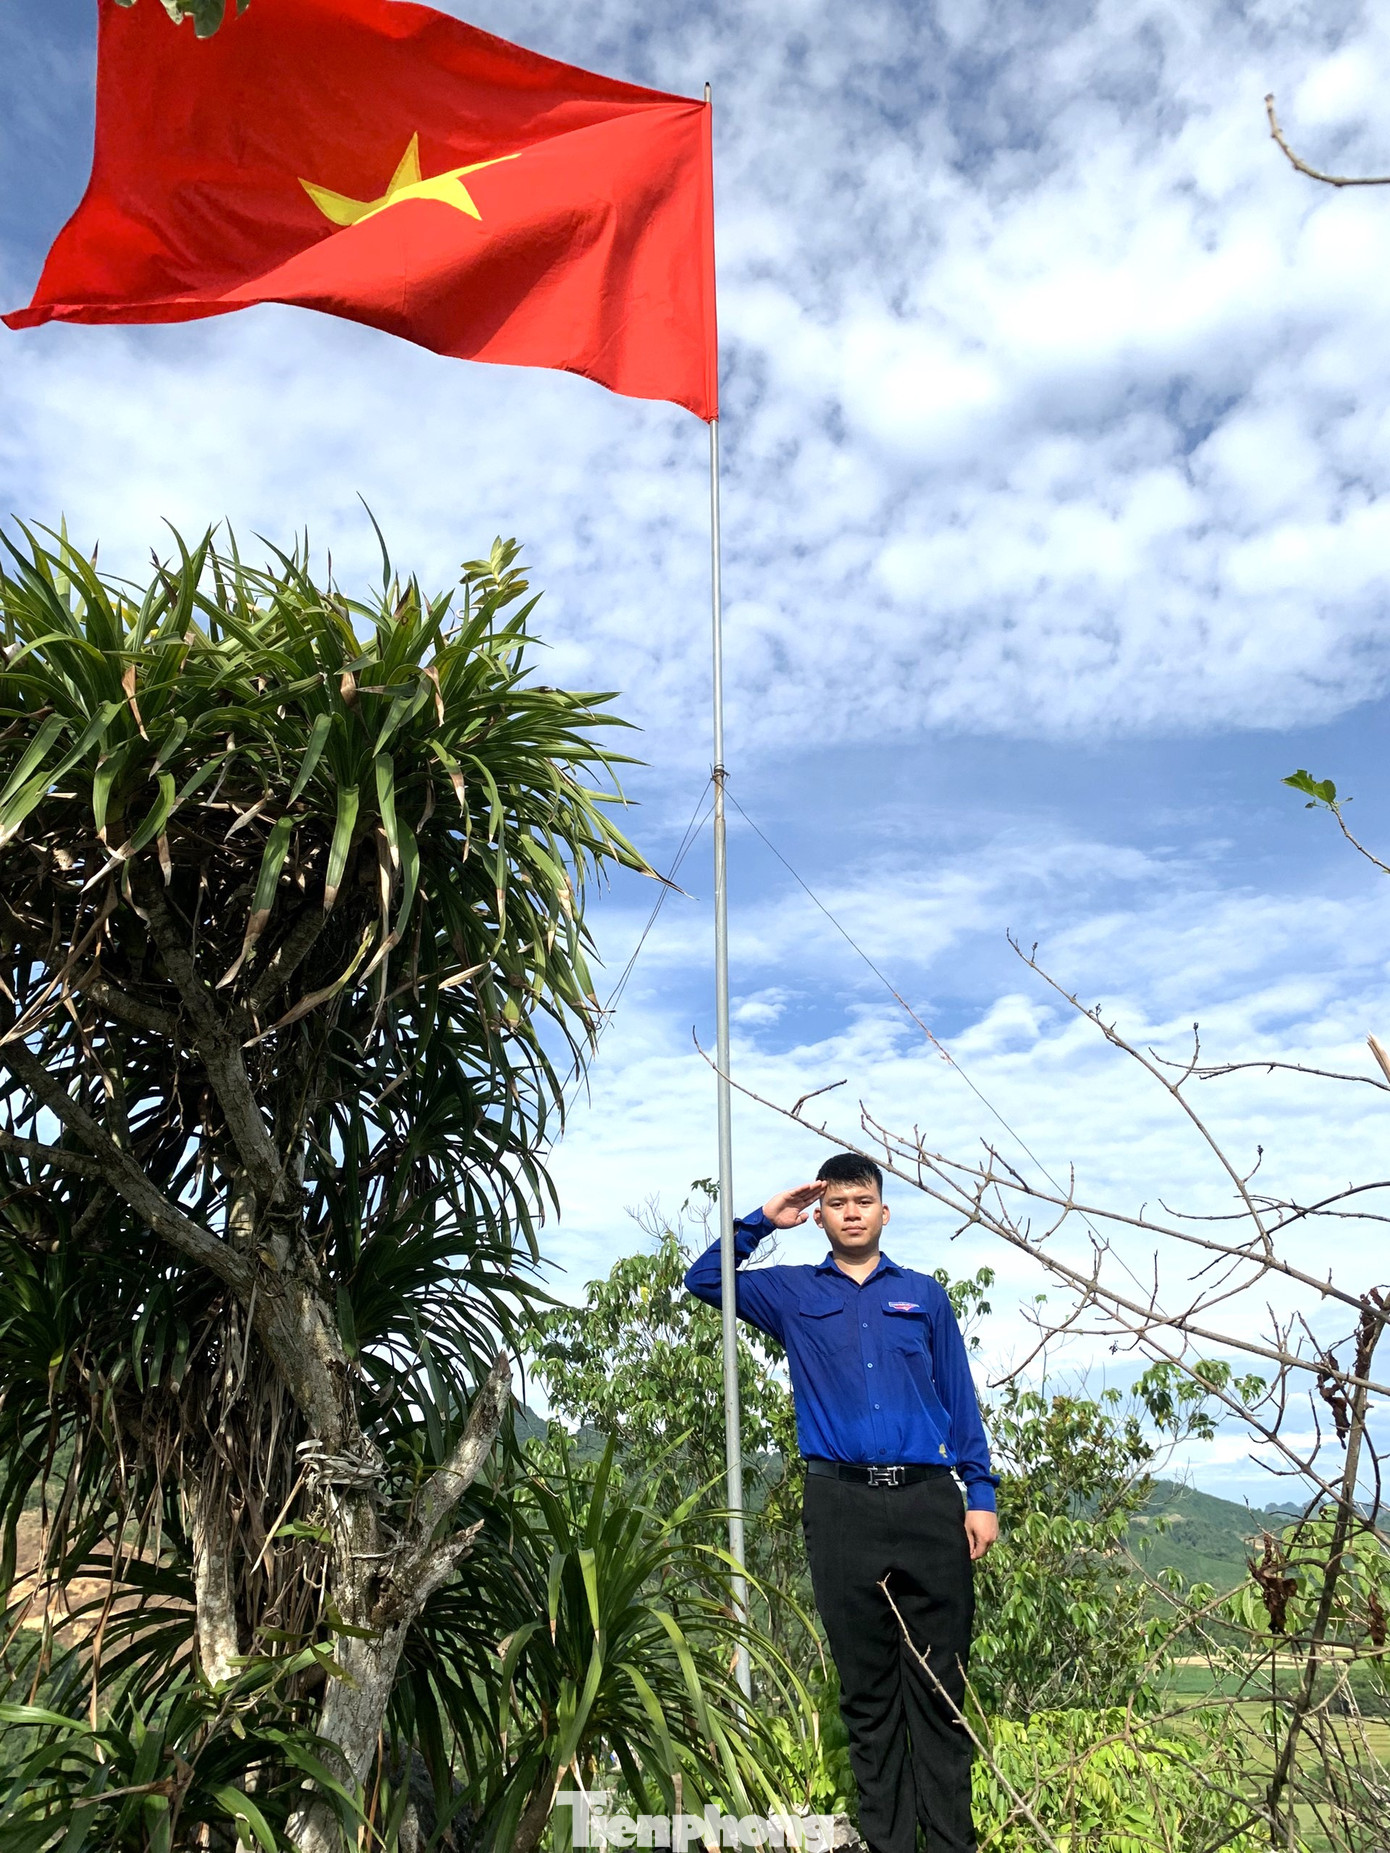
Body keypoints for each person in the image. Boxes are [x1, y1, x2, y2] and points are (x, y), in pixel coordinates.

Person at [684, 1152, 998, 1853]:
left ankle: (951, 1843)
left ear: (885, 1212)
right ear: (820, 1214)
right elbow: (704, 1279)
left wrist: (979, 1492)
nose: (852, 1210)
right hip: (840, 1505)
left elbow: (958, 1396)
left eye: (864, 1200)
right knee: (867, 1694)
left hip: (928, 1503)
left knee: (940, 1694)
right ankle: (889, 1843)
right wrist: (764, 1219)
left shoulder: (924, 1294)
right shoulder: (792, 1292)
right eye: (838, 1201)